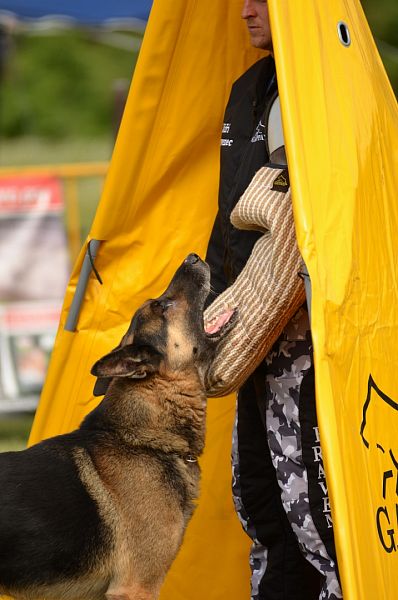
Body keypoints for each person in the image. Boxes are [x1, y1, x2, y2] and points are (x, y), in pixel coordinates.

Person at [204, 2, 342, 599]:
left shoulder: (331, 87)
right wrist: (214, 301)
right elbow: (230, 216)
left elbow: (301, 222)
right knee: (261, 502)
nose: (245, 10)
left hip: (311, 342)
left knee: (318, 515)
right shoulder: (250, 87)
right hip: (251, 329)